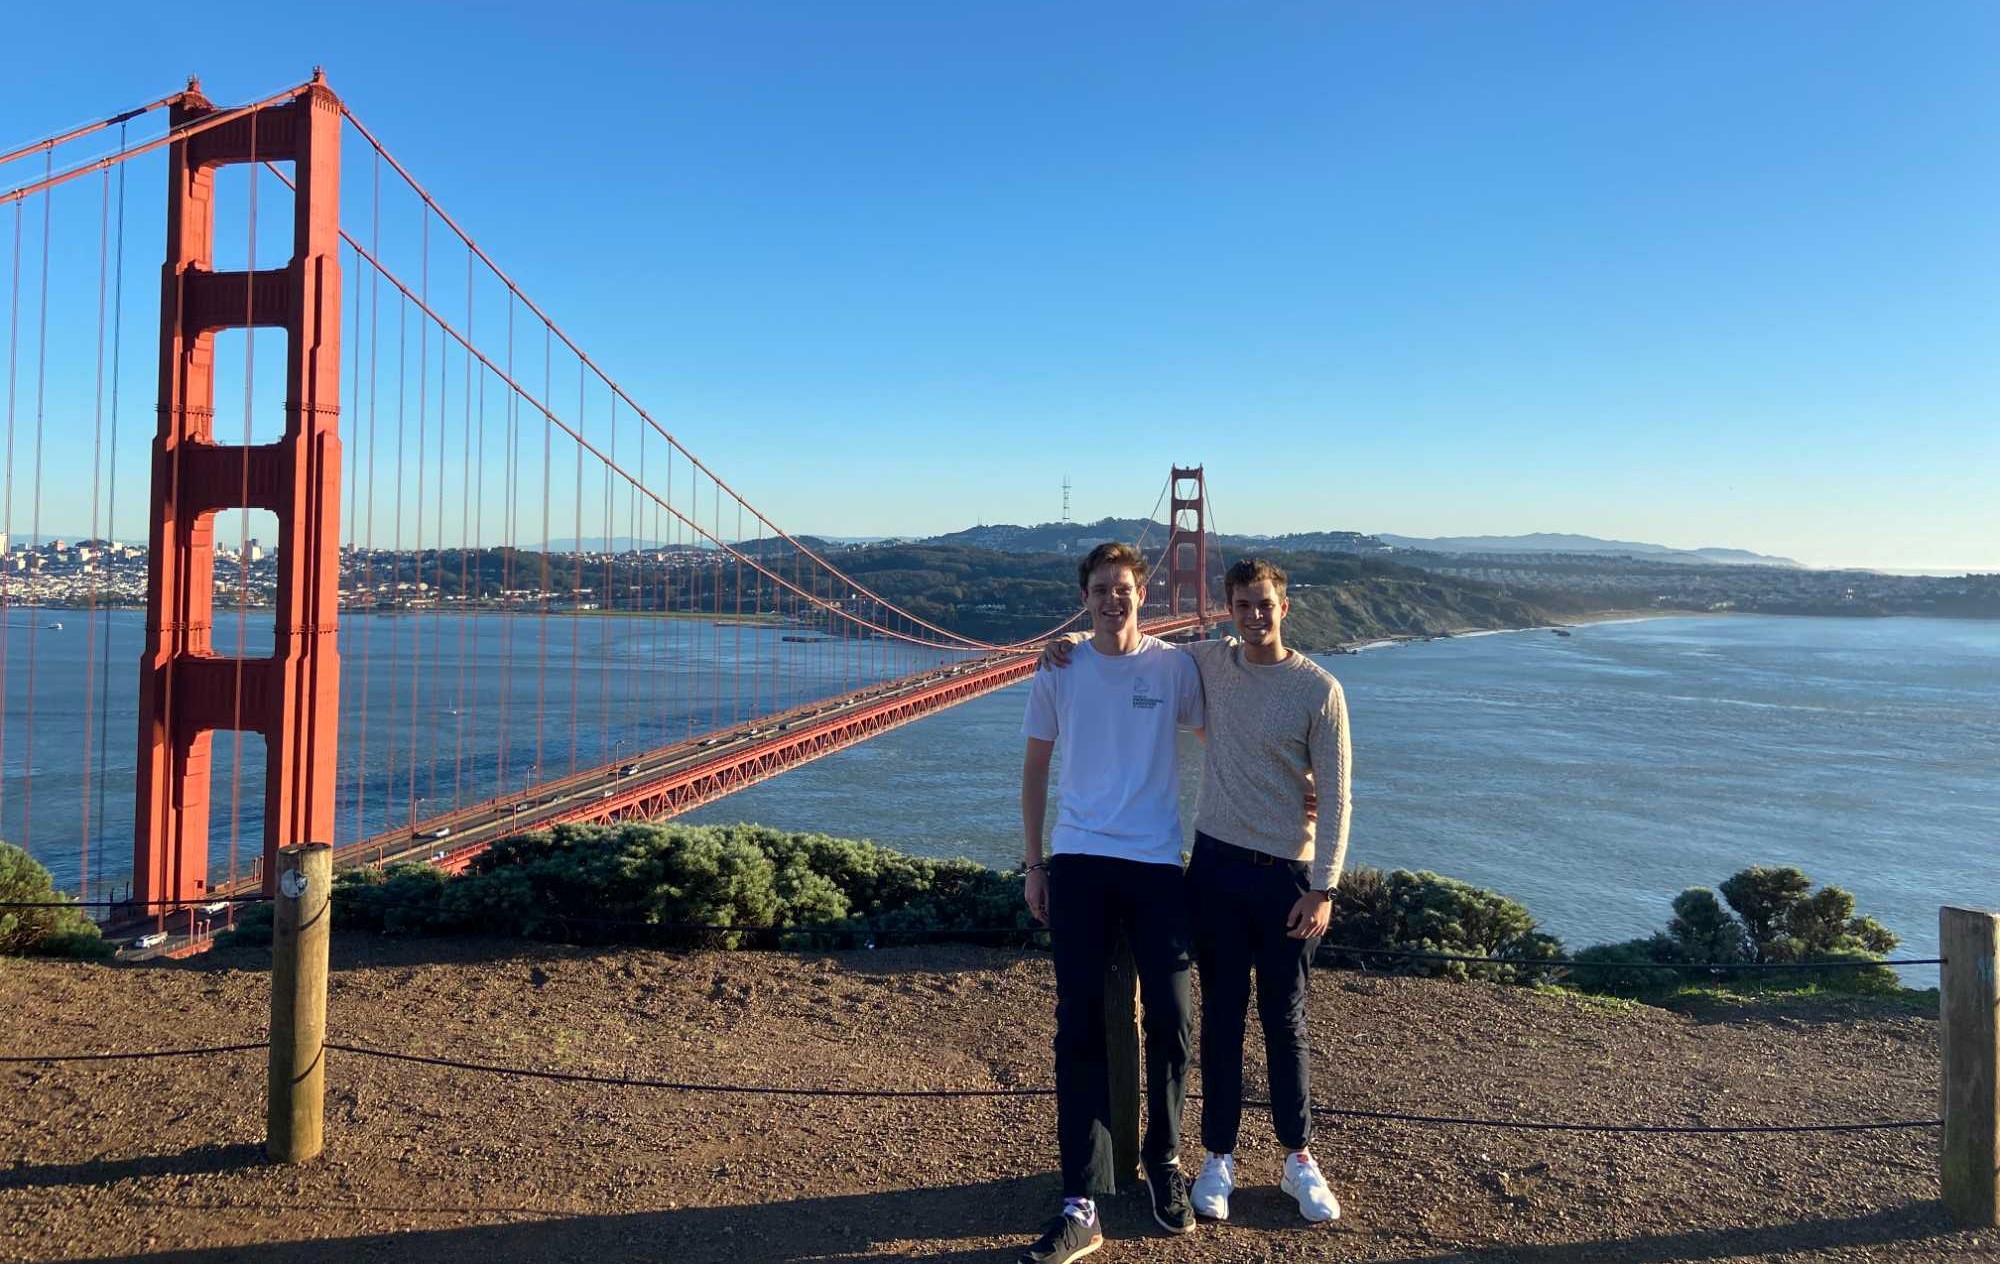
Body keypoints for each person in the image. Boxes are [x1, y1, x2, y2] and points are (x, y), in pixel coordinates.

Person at [1044, 556, 1352, 1226]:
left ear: (1284, 606)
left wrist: (1324, 885)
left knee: (1282, 1019)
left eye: (1265, 604)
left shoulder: (1317, 688)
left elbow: (1336, 795)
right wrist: (1064, 640)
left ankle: (1296, 1156)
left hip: (1282, 875)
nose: (1254, 615)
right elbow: (1128, 656)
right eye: (1242, 605)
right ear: (1229, 610)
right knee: (1218, 1017)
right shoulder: (1208, 661)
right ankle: (1216, 1158)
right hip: (1212, 865)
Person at [1017, 540, 1205, 1264]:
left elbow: (1220, 737)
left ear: (1142, 593)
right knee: (1080, 1028)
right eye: (1099, 589)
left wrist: (1293, 795)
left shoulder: (1174, 666)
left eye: (1122, 588)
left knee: (1174, 1019)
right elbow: (1034, 773)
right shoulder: (1059, 669)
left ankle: (1163, 1162)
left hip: (1157, 861)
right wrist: (1035, 864)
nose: (1112, 599)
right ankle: (1083, 1200)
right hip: (1080, 862)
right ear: (1084, 596)